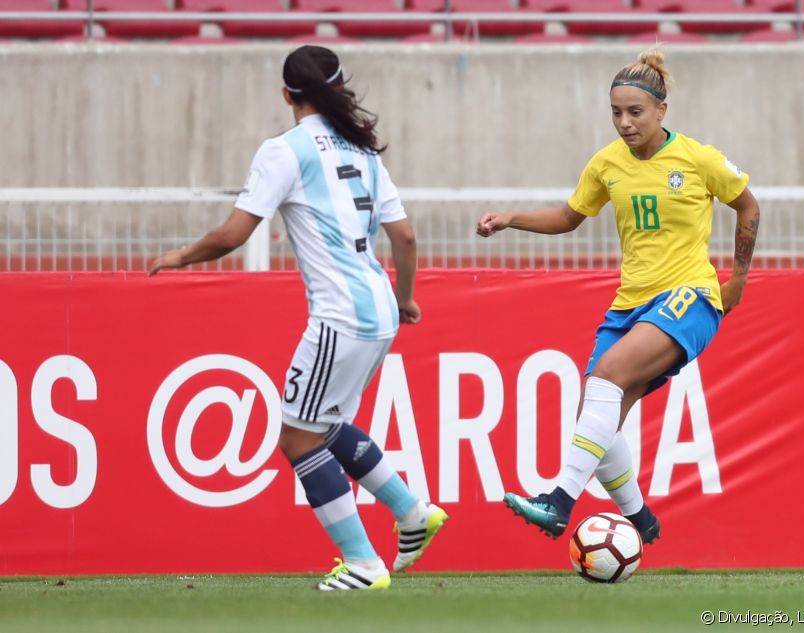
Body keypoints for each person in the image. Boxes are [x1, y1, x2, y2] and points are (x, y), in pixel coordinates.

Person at [149, 45, 448, 591]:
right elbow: (403, 237)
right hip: (379, 307)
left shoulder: (284, 151)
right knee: (326, 425)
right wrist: (405, 298)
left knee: (297, 440)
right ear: (337, 87)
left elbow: (234, 233)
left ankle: (363, 563)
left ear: (286, 94)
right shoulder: (365, 151)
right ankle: (411, 512)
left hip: (340, 315)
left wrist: (179, 256)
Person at [477, 49, 760, 544]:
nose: (624, 123)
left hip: (689, 296)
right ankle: (641, 521)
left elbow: (748, 206)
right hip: (631, 303)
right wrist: (509, 219)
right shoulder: (606, 164)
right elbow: (569, 218)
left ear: (661, 111)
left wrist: (737, 279)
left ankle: (559, 501)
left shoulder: (698, 158)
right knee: (601, 414)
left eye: (635, 112)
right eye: (615, 112)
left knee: (606, 379)